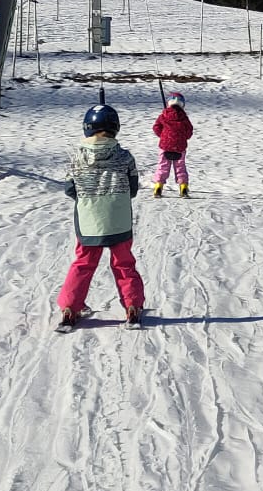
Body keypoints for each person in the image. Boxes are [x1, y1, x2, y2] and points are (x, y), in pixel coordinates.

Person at [58, 104, 145, 326]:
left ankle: (70, 307)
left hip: (89, 221)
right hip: (119, 220)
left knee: (83, 263)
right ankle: (133, 306)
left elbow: (69, 189)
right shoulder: (125, 157)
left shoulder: (77, 157)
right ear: (115, 128)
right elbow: (133, 188)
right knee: (124, 263)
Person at [151, 91, 194, 198]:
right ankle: (183, 187)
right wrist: (183, 137)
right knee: (180, 167)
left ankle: (158, 187)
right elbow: (189, 131)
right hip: (180, 146)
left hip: (165, 145)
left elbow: (156, 127)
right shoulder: (184, 117)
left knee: (163, 166)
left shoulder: (164, 115)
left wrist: (163, 136)